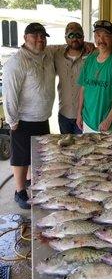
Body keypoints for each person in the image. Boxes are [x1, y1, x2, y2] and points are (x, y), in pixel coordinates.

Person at [2, 23, 55, 209]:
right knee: (21, 157)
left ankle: (32, 182)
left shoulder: (46, 54)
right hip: (22, 120)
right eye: (35, 36)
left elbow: (64, 48)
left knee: (38, 155)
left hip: (42, 117)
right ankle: (19, 191)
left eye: (43, 36)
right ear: (25, 38)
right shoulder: (17, 62)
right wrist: (12, 120)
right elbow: (9, 94)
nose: (40, 39)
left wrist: (89, 44)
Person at [76, 20, 112, 133]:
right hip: (87, 121)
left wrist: (109, 119)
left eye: (106, 36)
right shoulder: (90, 59)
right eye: (97, 35)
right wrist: (79, 113)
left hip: (108, 126)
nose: (101, 40)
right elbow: (83, 88)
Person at [54, 22, 92, 134]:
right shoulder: (56, 54)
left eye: (78, 35)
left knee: (83, 148)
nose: (75, 38)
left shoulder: (92, 54)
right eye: (71, 35)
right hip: (64, 113)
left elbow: (108, 52)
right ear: (65, 38)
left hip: (86, 115)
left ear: (83, 38)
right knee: (65, 149)